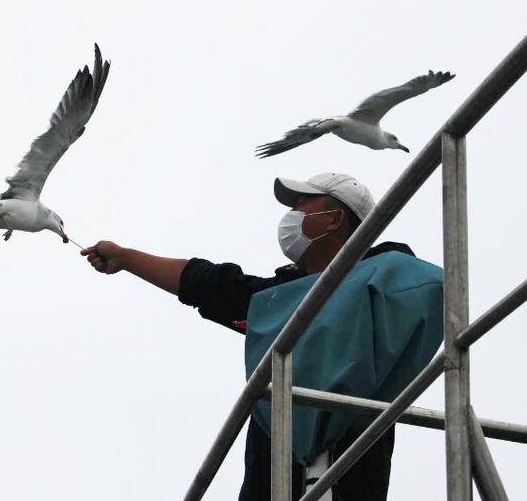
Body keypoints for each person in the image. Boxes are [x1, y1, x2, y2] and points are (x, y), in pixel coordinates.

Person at [81, 172, 416, 501]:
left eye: (302, 204)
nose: (291, 216)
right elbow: (211, 285)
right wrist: (125, 258)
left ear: (334, 219)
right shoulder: (282, 298)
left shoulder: (385, 275)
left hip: (341, 474)